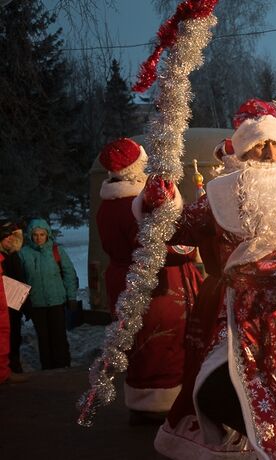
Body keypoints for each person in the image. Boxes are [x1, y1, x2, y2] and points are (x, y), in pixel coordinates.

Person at [148, 98, 276, 460]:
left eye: (275, 143)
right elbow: (179, 229)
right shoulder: (220, 194)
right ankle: (260, 447)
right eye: (258, 144)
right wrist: (160, 202)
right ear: (243, 149)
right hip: (238, 313)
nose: (267, 152)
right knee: (214, 390)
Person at [95, 138, 203, 423]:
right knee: (161, 344)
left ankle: (143, 400)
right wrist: (194, 246)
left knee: (138, 343)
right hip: (154, 285)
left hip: (123, 280)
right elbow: (159, 249)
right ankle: (160, 405)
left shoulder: (107, 205)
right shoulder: (136, 207)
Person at [17, 219, 77, 370]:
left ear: (47, 235)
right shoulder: (23, 254)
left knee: (59, 336)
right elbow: (20, 279)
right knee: (43, 338)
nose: (38, 238)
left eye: (42, 234)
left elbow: (69, 274)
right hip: (36, 303)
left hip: (56, 301)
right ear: (30, 236)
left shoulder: (56, 251)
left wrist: (71, 297)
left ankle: (63, 365)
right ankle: (48, 368)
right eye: (35, 235)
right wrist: (23, 304)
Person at [1, 220, 28, 374]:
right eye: (7, 237)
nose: (10, 239)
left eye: (13, 237)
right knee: (7, 338)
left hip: (14, 303)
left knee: (14, 337)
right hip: (5, 305)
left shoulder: (13, 255)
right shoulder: (2, 257)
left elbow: (19, 278)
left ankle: (13, 365)